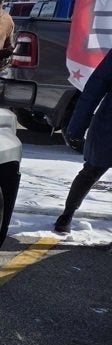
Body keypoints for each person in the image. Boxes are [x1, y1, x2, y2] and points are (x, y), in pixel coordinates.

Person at [55, 48, 112, 233]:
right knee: (91, 171)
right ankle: (67, 214)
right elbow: (95, 87)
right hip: (109, 126)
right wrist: (77, 127)